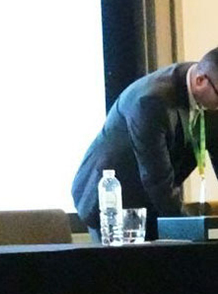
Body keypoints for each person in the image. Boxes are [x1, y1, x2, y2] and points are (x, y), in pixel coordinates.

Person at [72, 46, 218, 240]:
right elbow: (157, 179)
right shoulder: (151, 101)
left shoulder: (210, 86)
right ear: (200, 81)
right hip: (115, 203)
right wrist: (191, 230)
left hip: (153, 203)